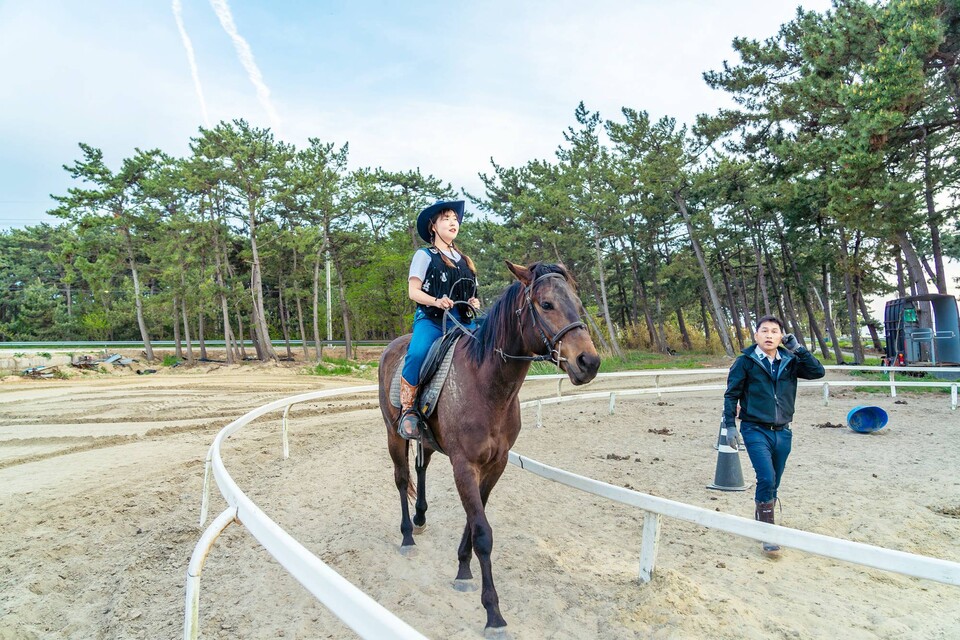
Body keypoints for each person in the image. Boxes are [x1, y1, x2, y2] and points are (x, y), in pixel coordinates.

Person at [722, 314, 825, 556]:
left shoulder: (789, 360)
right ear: (756, 335)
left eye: (775, 331)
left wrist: (798, 349)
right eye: (764, 331)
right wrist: (730, 426)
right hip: (754, 428)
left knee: (774, 481)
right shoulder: (745, 362)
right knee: (766, 477)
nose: (769, 335)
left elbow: (817, 372)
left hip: (783, 431)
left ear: (781, 337)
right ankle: (767, 533)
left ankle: (763, 517)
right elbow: (731, 395)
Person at [397, 200, 481, 440]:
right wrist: (435, 301)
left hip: (462, 321)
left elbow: (471, 293)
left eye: (455, 218)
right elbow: (413, 292)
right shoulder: (424, 255)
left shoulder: (466, 261)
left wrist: (473, 302)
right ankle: (408, 408)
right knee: (417, 352)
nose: (453, 222)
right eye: (446, 218)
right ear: (433, 226)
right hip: (432, 319)